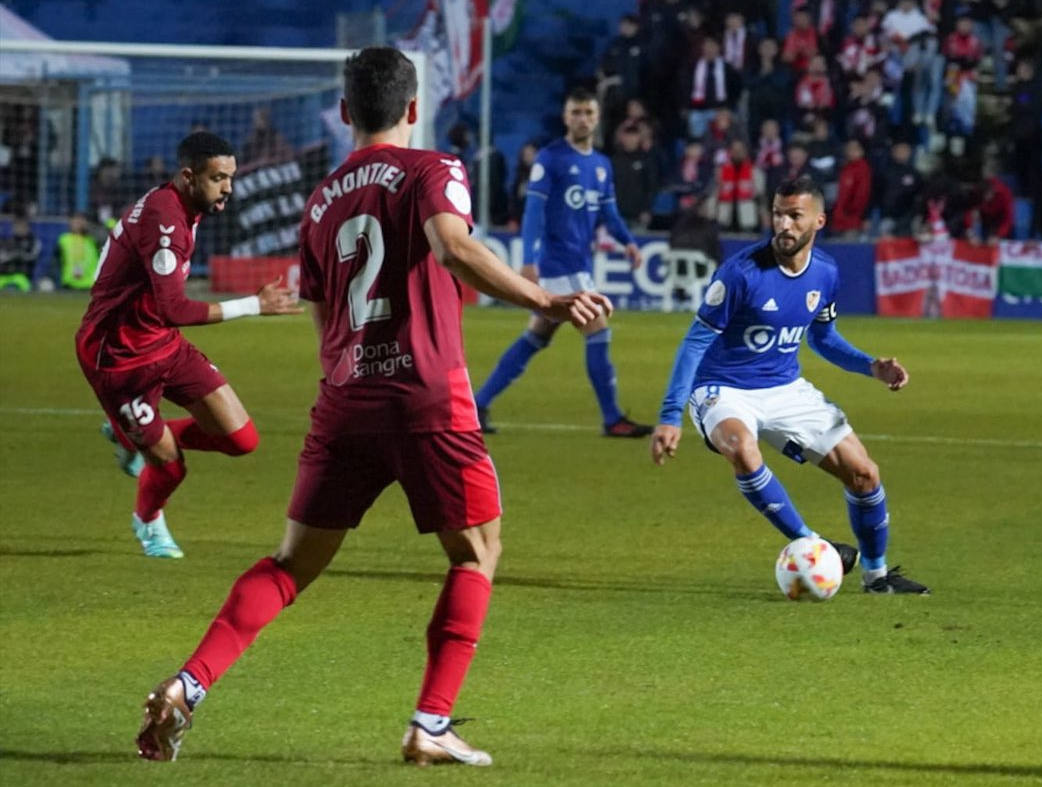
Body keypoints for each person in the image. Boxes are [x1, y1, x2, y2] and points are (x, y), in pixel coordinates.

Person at [134, 46, 611, 767]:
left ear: (347, 112)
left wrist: (351, 377)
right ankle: (430, 723)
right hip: (428, 397)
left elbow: (323, 314)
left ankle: (187, 685)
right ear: (415, 109)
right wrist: (546, 297)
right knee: (477, 551)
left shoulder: (322, 197)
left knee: (290, 565)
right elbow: (453, 248)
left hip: (346, 398)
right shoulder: (434, 169)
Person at [650, 176, 929, 596]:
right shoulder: (740, 273)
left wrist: (871, 367)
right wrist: (671, 416)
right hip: (723, 388)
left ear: (818, 220)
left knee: (865, 475)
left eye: (794, 216)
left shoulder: (826, 273)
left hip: (785, 387)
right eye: (778, 214)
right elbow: (695, 342)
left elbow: (823, 338)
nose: (783, 224)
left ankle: (877, 577)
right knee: (743, 449)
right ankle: (814, 543)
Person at [74, 131, 302, 559]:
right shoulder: (166, 223)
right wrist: (255, 304)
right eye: (219, 178)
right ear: (187, 176)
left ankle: (134, 438)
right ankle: (148, 522)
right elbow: (175, 308)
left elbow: (165, 318)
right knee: (170, 466)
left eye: (230, 177)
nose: (228, 188)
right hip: (119, 359)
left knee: (242, 439)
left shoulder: (183, 204)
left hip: (162, 344)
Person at [473, 88, 652, 438]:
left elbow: (608, 212)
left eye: (588, 112)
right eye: (576, 112)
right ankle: (613, 418)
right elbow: (533, 213)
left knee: (536, 336)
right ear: (565, 117)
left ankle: (477, 405)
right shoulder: (550, 158)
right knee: (597, 329)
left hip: (577, 264)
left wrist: (628, 242)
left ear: (597, 117)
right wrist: (528, 261)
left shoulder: (601, 165)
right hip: (558, 265)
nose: (582, 118)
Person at [56, 212, 100, 290]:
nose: (78, 223)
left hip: (90, 284)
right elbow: (56, 262)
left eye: (81, 220)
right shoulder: (63, 239)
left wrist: (89, 229)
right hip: (69, 284)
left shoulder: (93, 240)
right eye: (75, 221)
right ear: (70, 222)